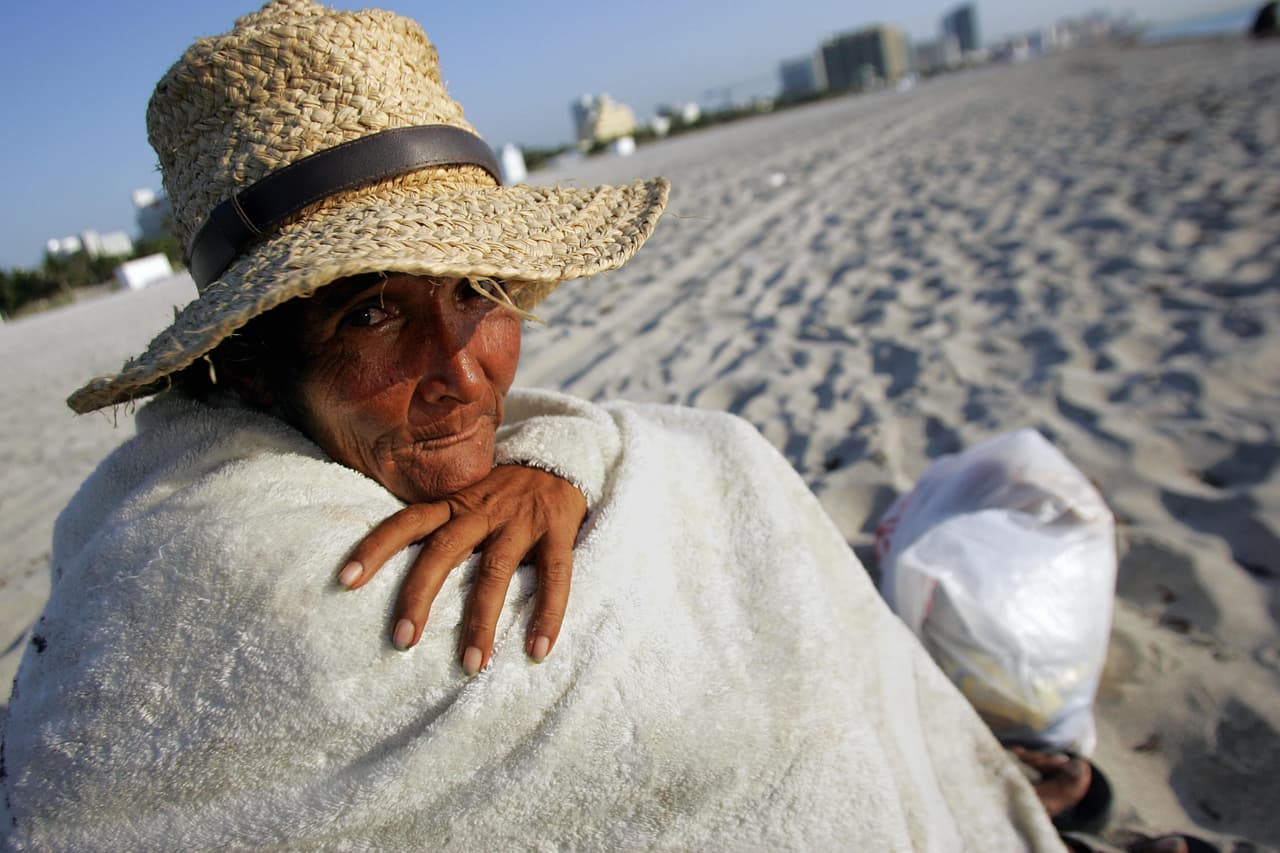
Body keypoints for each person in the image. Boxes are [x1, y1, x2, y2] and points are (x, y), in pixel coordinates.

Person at [1, 1, 1065, 848]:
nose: (463, 371)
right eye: (370, 309)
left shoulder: (445, 445)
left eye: (473, 289)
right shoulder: (220, 560)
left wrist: (561, 460)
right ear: (251, 364)